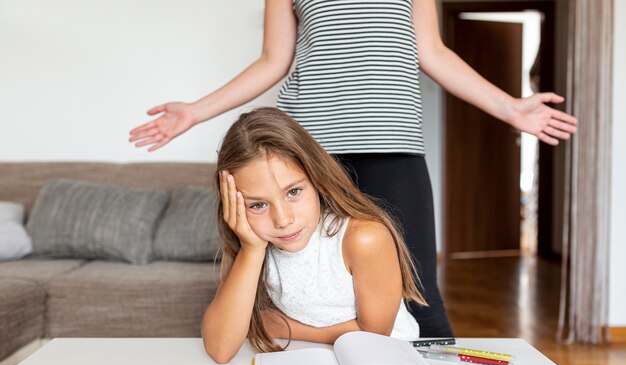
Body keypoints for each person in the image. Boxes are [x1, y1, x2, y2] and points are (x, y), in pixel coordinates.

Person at [128, 0, 577, 337]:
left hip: (393, 145)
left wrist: (511, 108)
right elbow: (274, 60)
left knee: (418, 291)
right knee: (294, 277)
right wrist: (196, 111)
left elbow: (433, 51)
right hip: (313, 151)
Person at [202, 107, 425, 363]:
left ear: (317, 179)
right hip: (307, 360)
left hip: (383, 361)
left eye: (294, 192)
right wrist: (251, 250)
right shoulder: (256, 242)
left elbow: (373, 335)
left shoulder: (364, 238)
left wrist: (283, 327)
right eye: (258, 205)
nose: (283, 220)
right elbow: (220, 350)